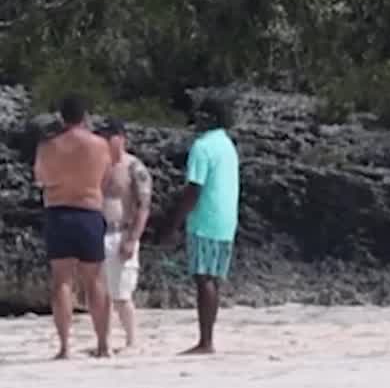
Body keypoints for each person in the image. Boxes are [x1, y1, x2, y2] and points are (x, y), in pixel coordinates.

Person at [157, 96, 240, 355]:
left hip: (205, 219)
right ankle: (207, 338)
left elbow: (194, 189)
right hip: (226, 220)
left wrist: (173, 224)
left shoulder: (202, 147)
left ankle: (205, 341)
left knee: (203, 278)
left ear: (210, 118)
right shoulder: (227, 144)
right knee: (213, 279)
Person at [33, 94, 114, 359]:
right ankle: (103, 344)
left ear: (61, 116)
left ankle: (65, 346)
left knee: (62, 281)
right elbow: (106, 178)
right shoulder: (99, 145)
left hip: (58, 211)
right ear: (85, 116)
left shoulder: (48, 146)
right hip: (89, 211)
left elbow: (41, 179)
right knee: (95, 280)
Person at [97, 119, 154, 349]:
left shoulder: (134, 167)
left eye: (109, 137)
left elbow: (143, 205)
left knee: (121, 294)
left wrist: (132, 238)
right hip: (99, 232)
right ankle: (105, 340)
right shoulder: (99, 165)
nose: (105, 141)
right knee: (101, 293)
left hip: (122, 232)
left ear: (120, 138)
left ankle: (132, 340)